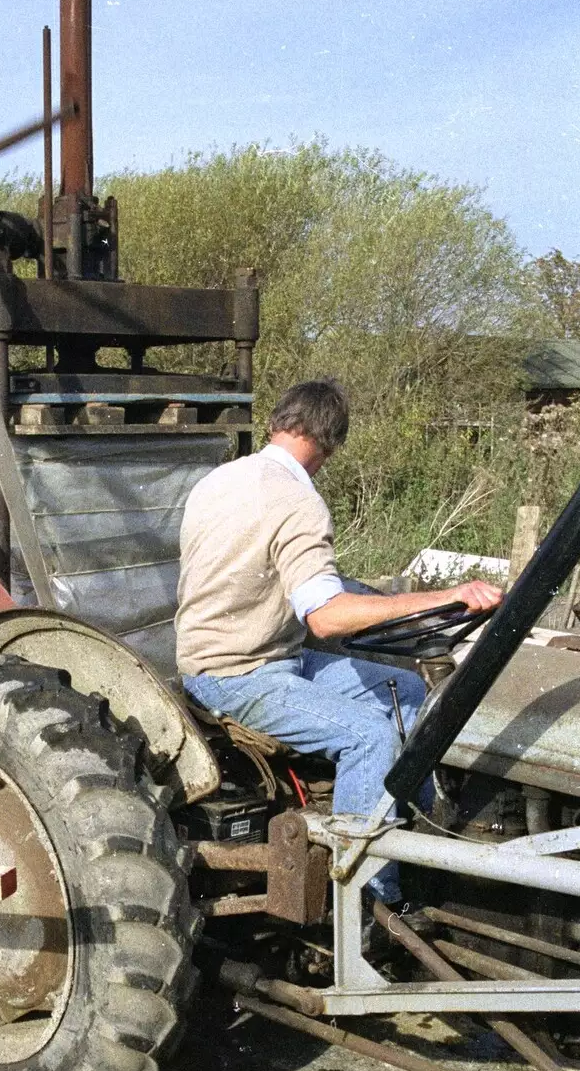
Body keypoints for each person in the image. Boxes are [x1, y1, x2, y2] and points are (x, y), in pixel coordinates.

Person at [176, 378, 502, 896]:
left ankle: (419, 824)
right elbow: (326, 618)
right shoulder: (298, 503)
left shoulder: (218, 480)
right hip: (238, 675)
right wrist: (441, 598)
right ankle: (373, 896)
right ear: (329, 446)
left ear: (277, 423)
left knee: (407, 690)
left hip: (249, 655)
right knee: (370, 736)